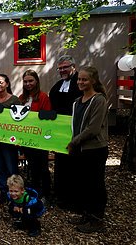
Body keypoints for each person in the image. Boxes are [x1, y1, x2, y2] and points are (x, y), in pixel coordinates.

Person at [66, 66, 108, 233]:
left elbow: (93, 129)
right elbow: (74, 125)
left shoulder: (99, 100)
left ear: (93, 81)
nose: (80, 82)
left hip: (95, 149)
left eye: (84, 79)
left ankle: (97, 220)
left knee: (95, 184)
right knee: (83, 183)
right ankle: (87, 215)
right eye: (79, 79)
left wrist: (73, 142)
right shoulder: (77, 102)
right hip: (80, 149)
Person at [49, 55, 82, 209]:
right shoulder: (57, 86)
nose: (62, 70)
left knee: (74, 165)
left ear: (73, 67)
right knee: (60, 164)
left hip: (75, 130)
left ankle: (73, 199)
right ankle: (60, 196)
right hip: (59, 132)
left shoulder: (79, 84)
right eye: (60, 68)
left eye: (65, 67)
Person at [0, 74, 21, 203]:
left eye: (1, 82)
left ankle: (15, 191)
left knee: (11, 166)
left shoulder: (14, 100)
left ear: (7, 84)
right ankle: (3, 189)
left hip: (9, 140)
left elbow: (19, 121)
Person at [19, 69, 52, 201]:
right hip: (26, 139)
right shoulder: (22, 98)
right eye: (25, 81)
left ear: (36, 81)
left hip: (39, 139)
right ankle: (35, 192)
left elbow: (47, 116)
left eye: (31, 81)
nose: (28, 84)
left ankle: (46, 193)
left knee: (43, 167)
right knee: (33, 167)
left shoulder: (43, 97)